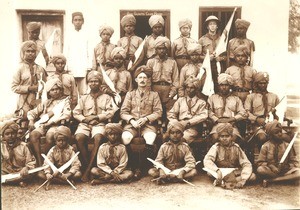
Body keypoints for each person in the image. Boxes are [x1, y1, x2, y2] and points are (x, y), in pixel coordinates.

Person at [73, 70, 116, 182]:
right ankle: (90, 166)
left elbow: (110, 112)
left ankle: (87, 171)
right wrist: (85, 119)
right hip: (85, 124)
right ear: (88, 83)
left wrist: (97, 117)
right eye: (91, 81)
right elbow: (76, 112)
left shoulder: (106, 97)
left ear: (100, 82)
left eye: (96, 81)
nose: (93, 83)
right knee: (79, 137)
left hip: (100, 123)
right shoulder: (84, 98)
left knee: (98, 137)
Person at [120, 65, 163, 179]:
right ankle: (132, 166)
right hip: (132, 124)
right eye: (140, 77)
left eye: (145, 78)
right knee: (126, 137)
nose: (143, 80)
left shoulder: (154, 95)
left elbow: (158, 112)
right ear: (136, 80)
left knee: (150, 138)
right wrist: (132, 120)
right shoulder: (130, 94)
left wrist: (146, 119)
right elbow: (123, 112)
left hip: (148, 125)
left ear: (148, 80)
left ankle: (142, 167)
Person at [27, 78, 71, 166]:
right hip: (43, 125)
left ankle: (47, 162)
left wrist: (50, 123)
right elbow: (32, 112)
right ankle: (40, 161)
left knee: (50, 135)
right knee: (33, 135)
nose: (55, 91)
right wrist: (31, 120)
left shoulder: (65, 102)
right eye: (52, 90)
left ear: (61, 90)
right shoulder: (46, 102)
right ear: (49, 92)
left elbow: (67, 115)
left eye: (57, 89)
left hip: (56, 126)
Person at [244, 72, 292, 149]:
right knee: (262, 137)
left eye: (265, 83)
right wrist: (257, 119)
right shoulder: (251, 97)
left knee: (287, 138)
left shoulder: (274, 96)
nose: (263, 85)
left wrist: (278, 117)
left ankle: (281, 158)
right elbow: (246, 113)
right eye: (260, 83)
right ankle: (263, 158)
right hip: (258, 126)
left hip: (273, 124)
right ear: (256, 84)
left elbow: (280, 111)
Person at [203, 123, 256, 189]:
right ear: (219, 138)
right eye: (222, 136)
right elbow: (207, 160)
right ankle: (230, 181)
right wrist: (217, 171)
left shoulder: (236, 147)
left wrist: (243, 180)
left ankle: (225, 181)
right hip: (220, 171)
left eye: (227, 136)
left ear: (231, 137)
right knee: (209, 173)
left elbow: (246, 163)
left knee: (252, 176)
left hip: (234, 172)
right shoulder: (216, 147)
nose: (224, 138)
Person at [256, 120, 300, 187]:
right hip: (271, 172)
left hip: (285, 171)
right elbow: (260, 162)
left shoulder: (287, 145)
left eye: (280, 132)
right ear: (270, 135)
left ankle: (272, 180)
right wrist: (271, 166)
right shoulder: (265, 146)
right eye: (276, 133)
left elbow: (295, 162)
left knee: (299, 172)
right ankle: (286, 179)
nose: (280, 134)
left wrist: (286, 166)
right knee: (260, 169)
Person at [146, 36, 179, 124]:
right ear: (156, 50)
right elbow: (148, 79)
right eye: (159, 49)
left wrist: (172, 93)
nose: (162, 51)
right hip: (154, 88)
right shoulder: (151, 62)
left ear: (167, 49)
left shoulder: (172, 62)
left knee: (168, 112)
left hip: (167, 89)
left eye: (164, 49)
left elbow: (176, 80)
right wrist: (150, 92)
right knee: (154, 110)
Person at [207, 73, 247, 145]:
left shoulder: (236, 99)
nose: (224, 87)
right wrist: (217, 119)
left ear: (230, 86)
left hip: (231, 124)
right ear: (219, 86)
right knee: (216, 137)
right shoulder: (212, 98)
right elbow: (208, 111)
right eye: (222, 85)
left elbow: (243, 113)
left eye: (226, 85)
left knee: (233, 138)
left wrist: (232, 119)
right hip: (217, 124)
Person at [11, 41, 47, 122]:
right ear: (23, 52)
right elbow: (14, 87)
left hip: (38, 101)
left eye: (33, 51)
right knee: (24, 122)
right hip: (24, 102)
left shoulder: (40, 68)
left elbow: (45, 85)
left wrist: (41, 89)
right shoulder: (19, 68)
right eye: (28, 51)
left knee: (38, 122)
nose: (30, 53)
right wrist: (29, 88)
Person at [168, 77, 207, 144]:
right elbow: (171, 113)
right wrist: (176, 123)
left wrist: (189, 122)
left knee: (180, 140)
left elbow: (203, 116)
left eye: (191, 88)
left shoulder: (201, 102)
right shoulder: (180, 100)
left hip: (192, 128)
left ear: (196, 89)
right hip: (177, 126)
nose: (188, 90)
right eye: (187, 87)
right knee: (167, 137)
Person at [64, 12, 92, 95]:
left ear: (83, 21)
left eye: (79, 20)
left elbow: (89, 51)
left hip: (83, 67)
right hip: (71, 67)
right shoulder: (68, 35)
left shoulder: (87, 34)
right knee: (72, 91)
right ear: (72, 22)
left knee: (83, 91)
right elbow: (66, 51)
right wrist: (65, 67)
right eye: (75, 20)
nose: (77, 22)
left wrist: (89, 67)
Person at [1, 122, 36, 187]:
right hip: (7, 171)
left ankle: (14, 181)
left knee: (30, 174)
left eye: (13, 133)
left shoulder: (24, 146)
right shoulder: (2, 146)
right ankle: (18, 181)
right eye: (7, 134)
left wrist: (26, 167)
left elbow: (31, 162)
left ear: (16, 134)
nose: (10, 136)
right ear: (3, 136)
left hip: (21, 171)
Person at [198, 15, 227, 93]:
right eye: (210, 24)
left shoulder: (221, 40)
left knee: (218, 85)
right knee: (206, 86)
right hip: (207, 66)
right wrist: (207, 58)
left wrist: (220, 58)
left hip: (218, 66)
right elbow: (198, 56)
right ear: (207, 27)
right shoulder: (202, 40)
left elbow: (226, 56)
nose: (212, 26)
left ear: (217, 26)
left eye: (214, 24)